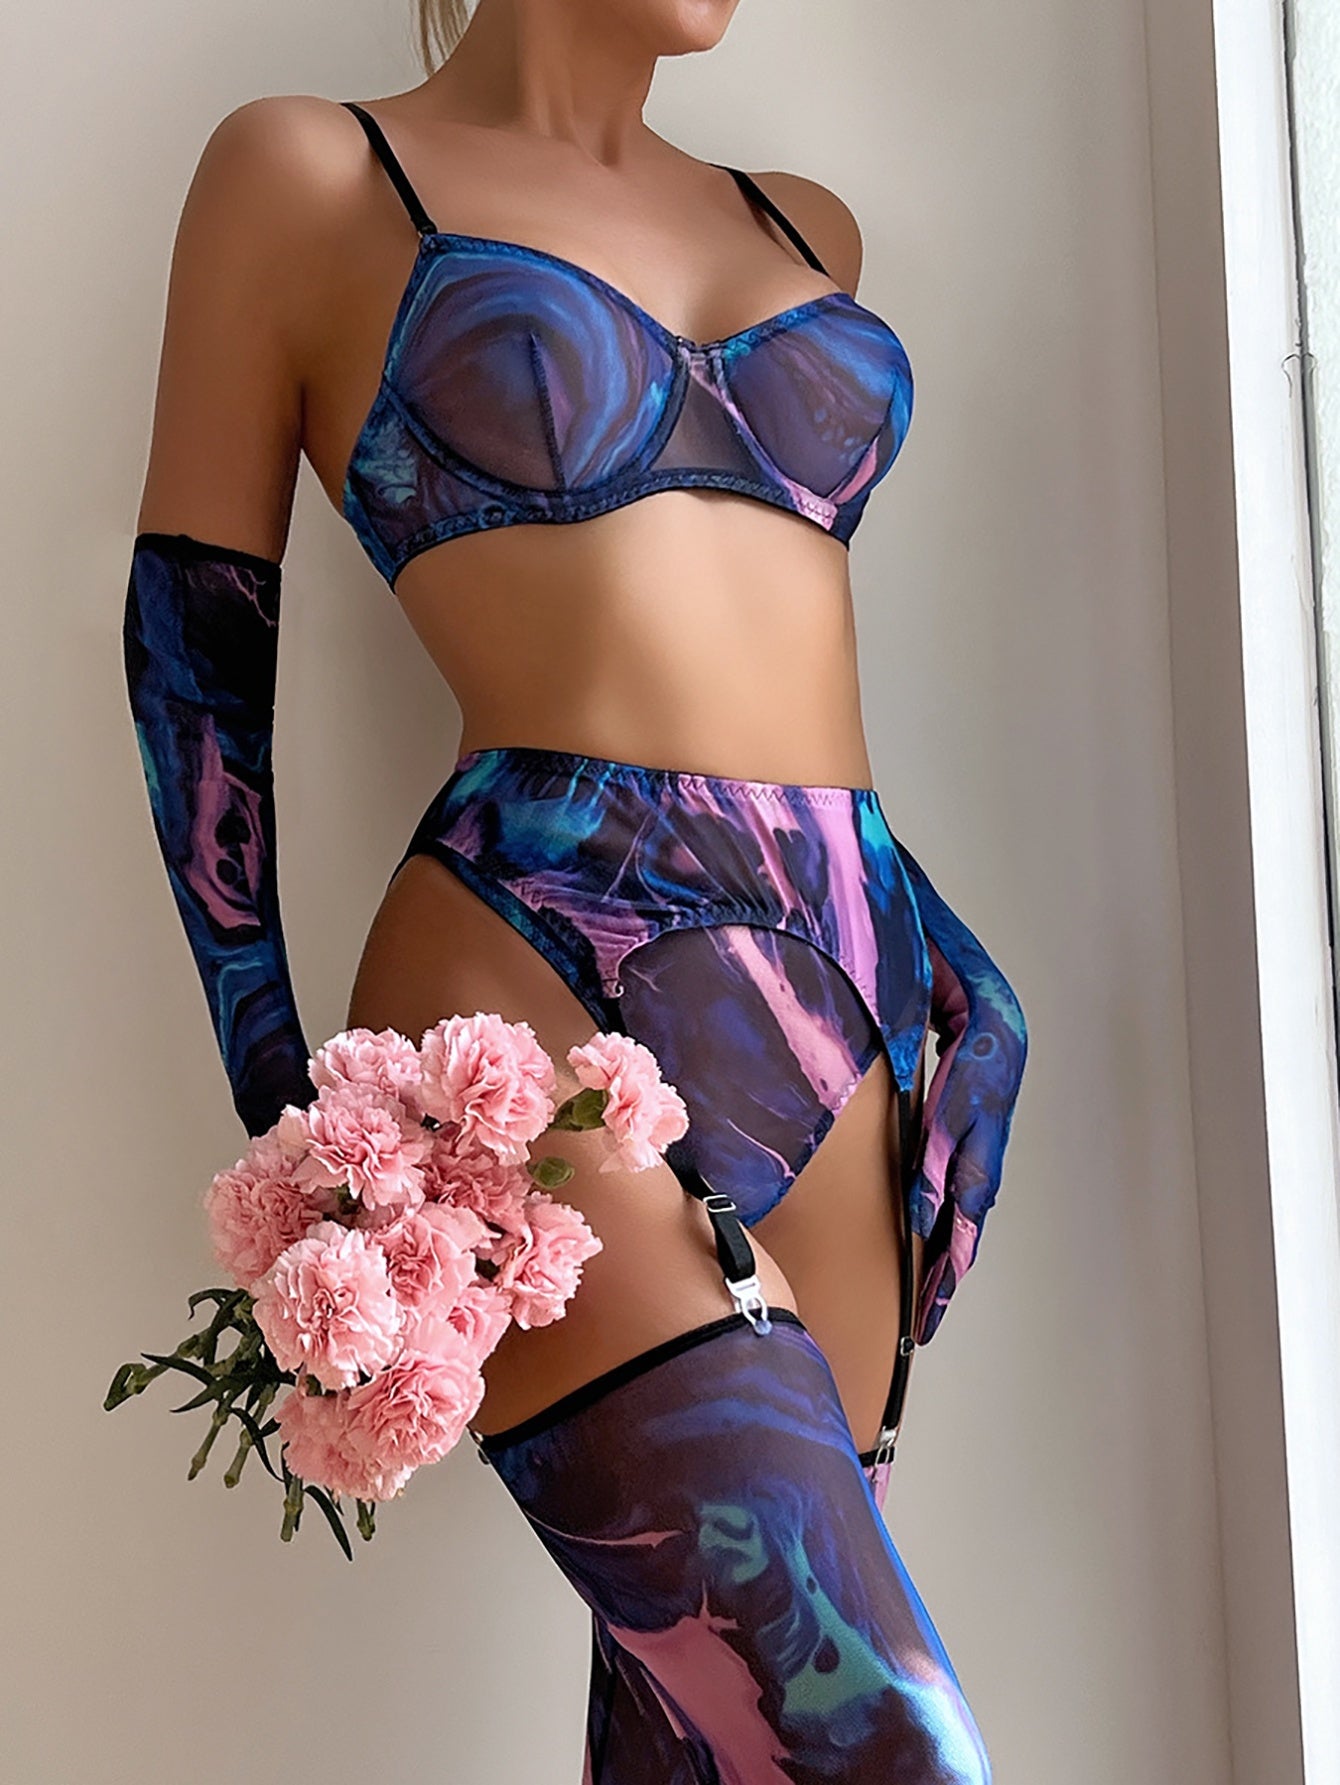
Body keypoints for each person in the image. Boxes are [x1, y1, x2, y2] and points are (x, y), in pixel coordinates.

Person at [122, 1, 1028, 1776]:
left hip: (857, 1012)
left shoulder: (803, 226)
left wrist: (964, 966)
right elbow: (193, 659)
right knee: (886, 1745)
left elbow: (771, 668)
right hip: (533, 995)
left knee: (709, 1751)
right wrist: (293, 1112)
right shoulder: (312, 174)